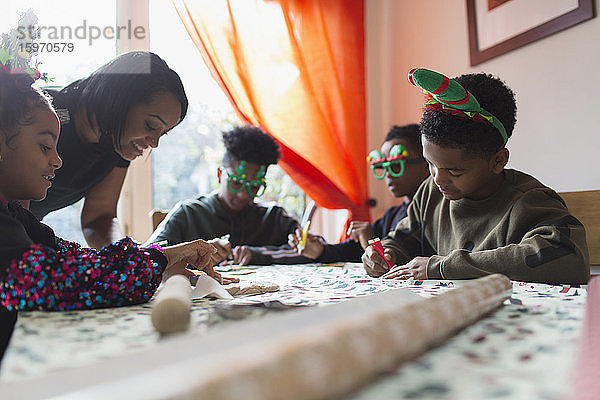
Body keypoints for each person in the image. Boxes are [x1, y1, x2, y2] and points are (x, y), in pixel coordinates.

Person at [0, 70, 223, 364]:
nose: (58, 160)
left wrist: (160, 257)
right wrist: (159, 260)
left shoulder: (17, 217)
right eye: (45, 147)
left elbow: (74, 256)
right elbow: (45, 281)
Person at [362, 68, 589, 285]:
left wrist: (443, 267)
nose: (438, 178)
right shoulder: (430, 193)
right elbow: (402, 239)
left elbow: (570, 258)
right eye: (430, 164)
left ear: (498, 160)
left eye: (454, 171)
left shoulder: (529, 201)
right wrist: (386, 254)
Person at [28, 51, 188, 249]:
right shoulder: (47, 115)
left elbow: (99, 218)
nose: (154, 143)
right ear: (119, 101)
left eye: (163, 134)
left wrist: (125, 253)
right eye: (151, 125)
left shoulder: (117, 142)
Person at [148, 125, 311, 266]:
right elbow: (146, 257)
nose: (243, 195)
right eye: (236, 183)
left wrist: (258, 254)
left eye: (254, 186)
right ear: (220, 175)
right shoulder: (189, 214)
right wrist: (191, 254)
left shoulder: (274, 218)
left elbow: (312, 250)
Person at [288, 124, 429, 262]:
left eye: (397, 164)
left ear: (427, 163)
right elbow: (352, 250)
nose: (388, 174)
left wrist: (370, 244)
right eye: (382, 167)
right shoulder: (392, 216)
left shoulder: (432, 215)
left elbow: (409, 262)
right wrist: (321, 251)